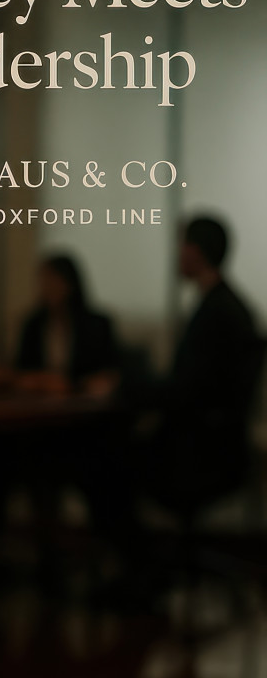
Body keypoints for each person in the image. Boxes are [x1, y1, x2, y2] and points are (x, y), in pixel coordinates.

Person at [144, 215, 261, 513]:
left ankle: (130, 557)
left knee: (110, 463)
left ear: (194, 252)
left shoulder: (216, 314)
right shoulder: (229, 306)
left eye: (181, 246)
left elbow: (187, 390)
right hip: (219, 447)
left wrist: (129, 386)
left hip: (201, 452)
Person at [15, 254, 120, 396]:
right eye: (44, 281)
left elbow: (111, 370)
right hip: (40, 401)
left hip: (83, 401)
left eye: (54, 280)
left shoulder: (96, 324)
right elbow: (21, 369)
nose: (48, 287)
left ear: (70, 283)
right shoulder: (33, 324)